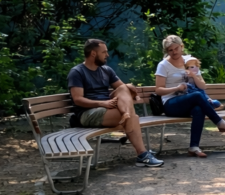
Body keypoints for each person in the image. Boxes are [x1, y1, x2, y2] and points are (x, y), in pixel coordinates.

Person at [68, 39, 164, 167]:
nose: (107, 55)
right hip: (88, 113)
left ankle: (126, 116)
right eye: (104, 52)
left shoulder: (106, 70)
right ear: (93, 54)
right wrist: (102, 103)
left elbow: (122, 88)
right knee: (133, 117)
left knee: (124, 89)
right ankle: (142, 154)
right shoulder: (77, 72)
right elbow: (78, 99)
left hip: (109, 108)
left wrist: (130, 87)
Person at [154, 35, 225, 158]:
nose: (174, 52)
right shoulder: (163, 65)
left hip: (190, 100)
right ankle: (220, 123)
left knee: (198, 109)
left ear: (181, 47)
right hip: (171, 104)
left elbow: (203, 86)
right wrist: (176, 88)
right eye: (170, 50)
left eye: (176, 48)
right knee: (197, 96)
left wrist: (194, 76)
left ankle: (194, 147)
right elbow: (158, 90)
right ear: (166, 51)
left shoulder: (189, 61)